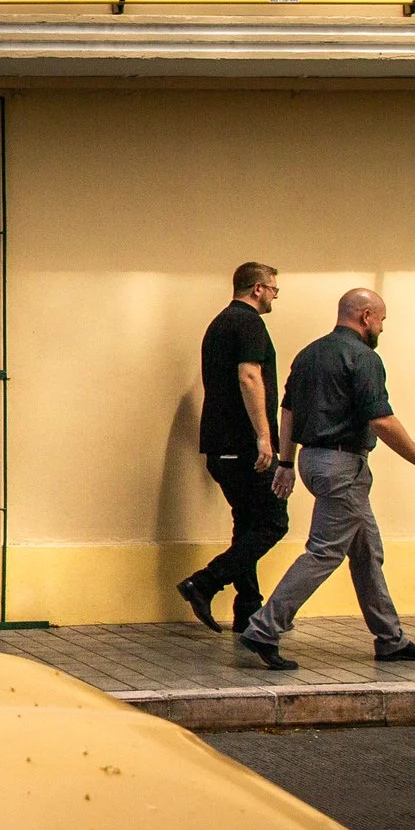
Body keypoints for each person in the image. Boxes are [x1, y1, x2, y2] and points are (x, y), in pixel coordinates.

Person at [239, 288, 415, 671]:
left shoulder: (309, 353)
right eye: (381, 319)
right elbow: (381, 420)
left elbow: (288, 412)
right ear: (366, 316)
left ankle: (390, 639)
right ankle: (264, 628)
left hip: (314, 462)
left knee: (366, 550)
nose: (382, 327)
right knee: (324, 551)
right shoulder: (364, 358)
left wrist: (286, 462)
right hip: (342, 467)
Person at [177, 262, 287, 636]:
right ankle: (205, 583)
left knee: (248, 524)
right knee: (273, 522)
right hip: (241, 444)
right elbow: (249, 375)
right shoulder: (248, 323)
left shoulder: (219, 323)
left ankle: (248, 609)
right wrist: (263, 435)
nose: (274, 295)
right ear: (257, 289)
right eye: (273, 288)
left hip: (220, 445)